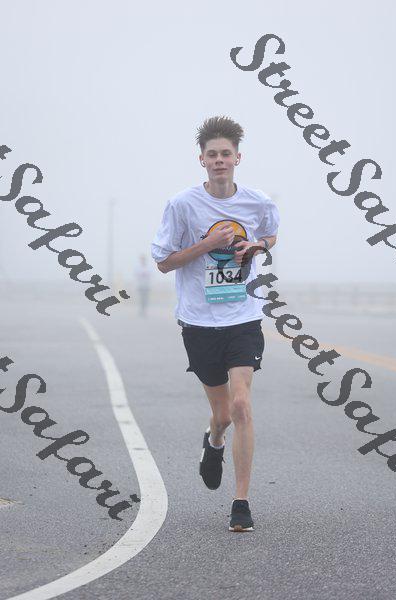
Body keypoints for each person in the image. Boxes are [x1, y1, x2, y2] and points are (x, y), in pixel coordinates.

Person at [151, 116, 279, 532]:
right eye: (212, 154)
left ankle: (241, 502)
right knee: (222, 414)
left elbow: (270, 235)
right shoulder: (182, 205)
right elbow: (164, 262)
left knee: (242, 405)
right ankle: (215, 439)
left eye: (226, 153)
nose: (219, 160)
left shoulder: (258, 201)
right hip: (199, 322)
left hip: (244, 316)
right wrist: (207, 244)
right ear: (202, 160)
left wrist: (257, 245)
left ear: (237, 158)